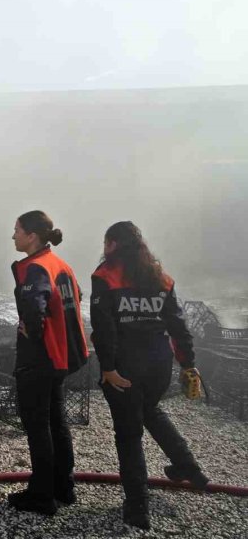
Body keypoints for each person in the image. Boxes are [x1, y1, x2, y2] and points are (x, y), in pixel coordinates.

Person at [90, 221, 208, 530]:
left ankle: (137, 508)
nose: (104, 248)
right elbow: (178, 326)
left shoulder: (104, 277)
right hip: (159, 365)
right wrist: (188, 364)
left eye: (106, 242)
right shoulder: (160, 278)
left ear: (113, 244)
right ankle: (189, 467)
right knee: (149, 410)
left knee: (128, 434)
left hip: (125, 367)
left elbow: (104, 328)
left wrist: (108, 368)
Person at [9, 210, 88, 515]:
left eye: (17, 230)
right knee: (56, 420)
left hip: (41, 358)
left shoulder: (37, 268)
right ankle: (63, 487)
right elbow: (77, 295)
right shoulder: (61, 265)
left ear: (31, 236)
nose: (13, 236)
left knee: (38, 424)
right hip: (62, 356)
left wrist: (32, 330)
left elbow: (34, 305)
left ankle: (41, 495)